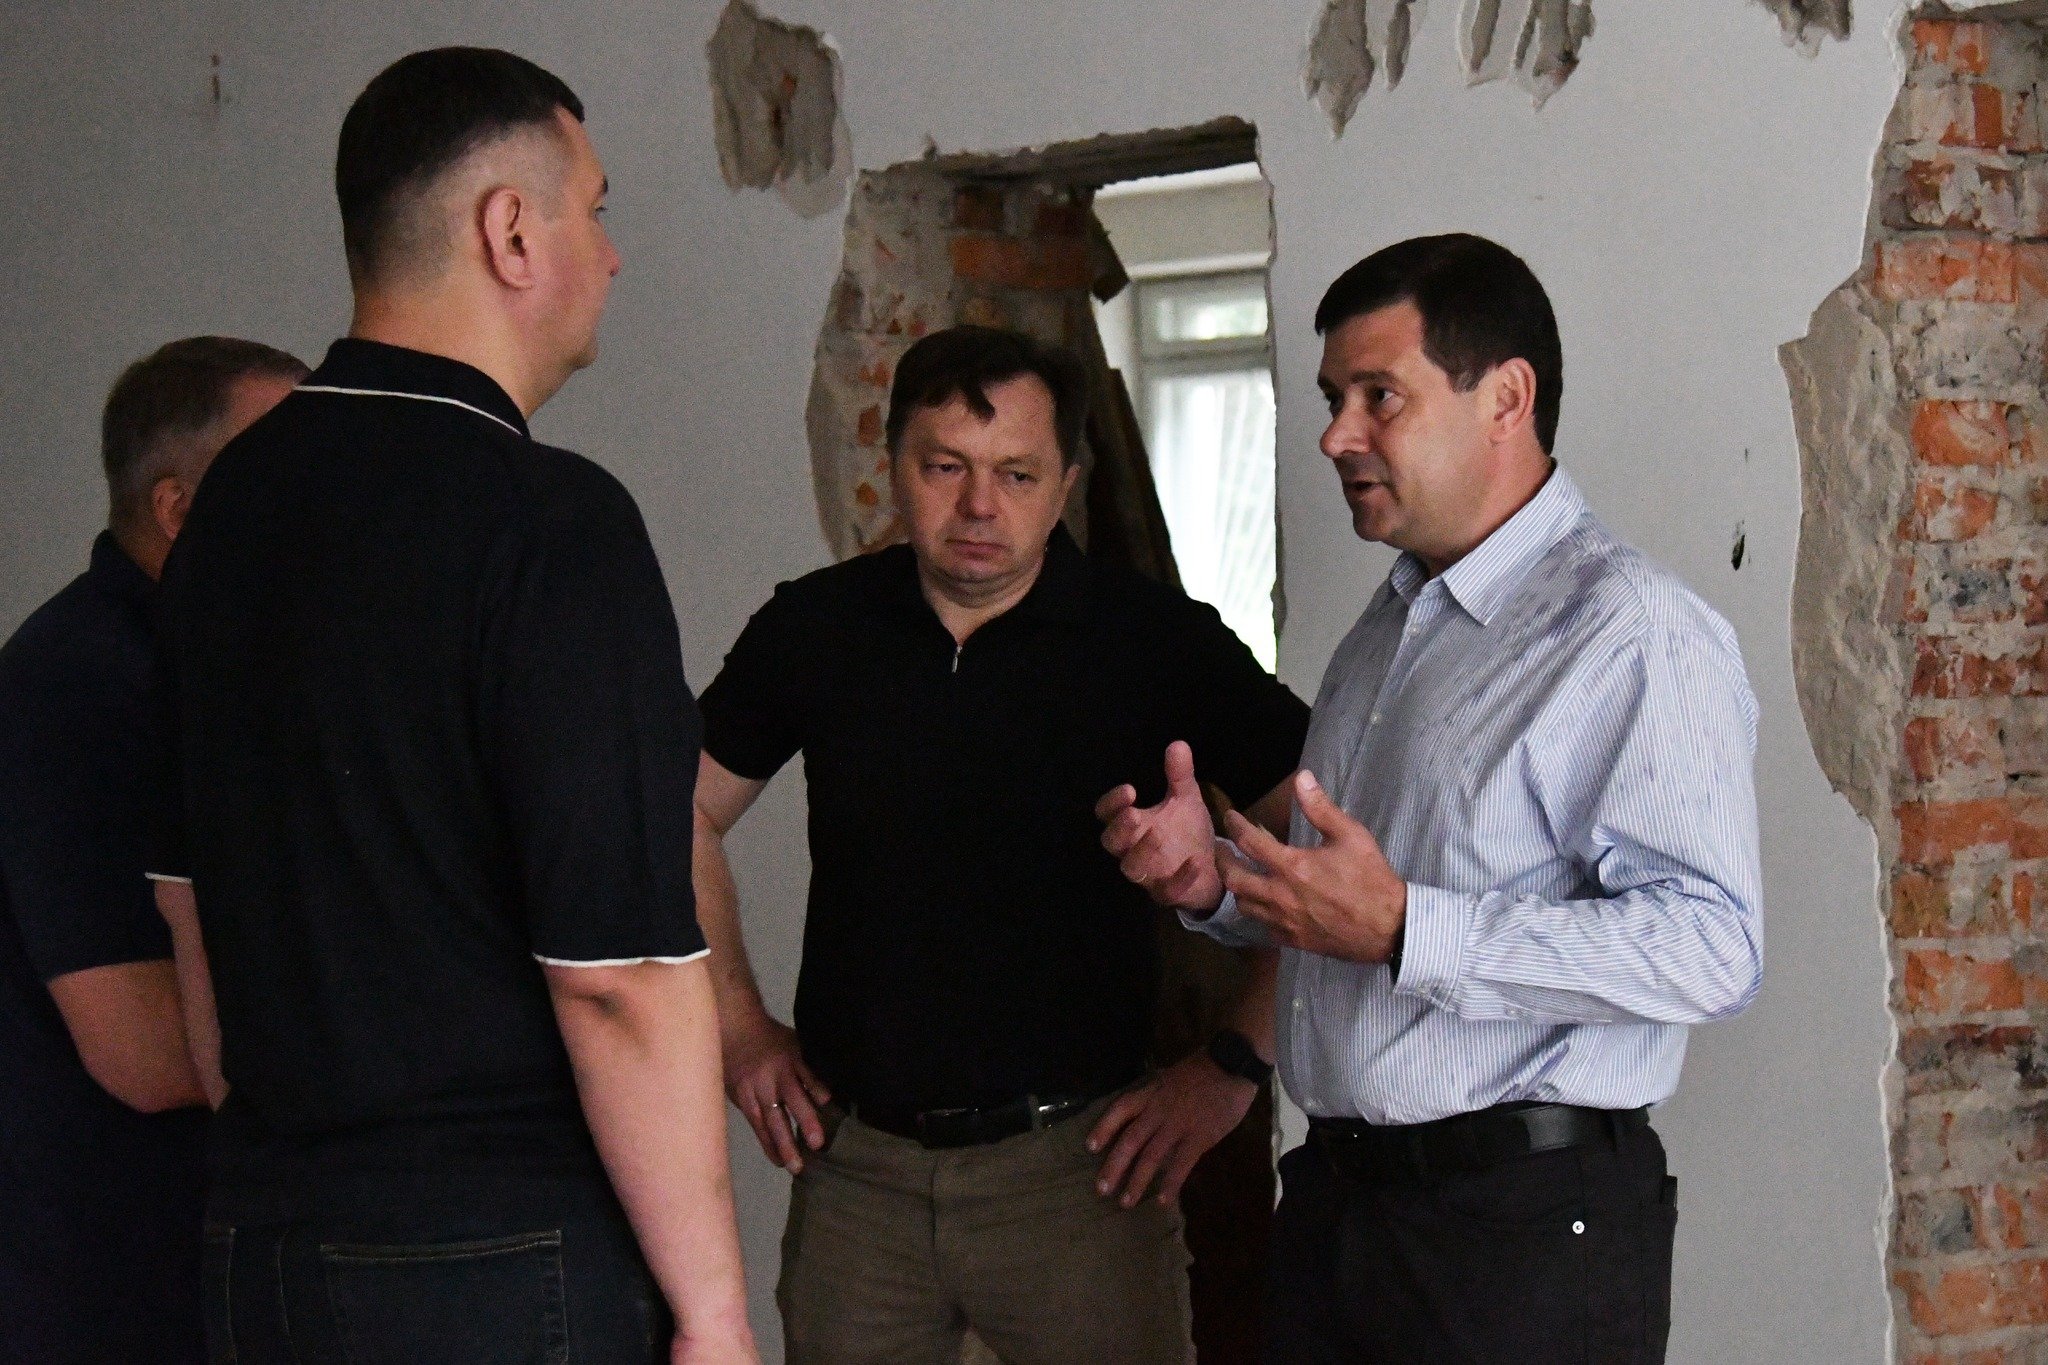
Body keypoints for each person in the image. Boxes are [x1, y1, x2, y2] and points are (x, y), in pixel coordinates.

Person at [148, 47, 755, 1364]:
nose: (613, 255)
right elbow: (618, 978)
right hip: (489, 1254)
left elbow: (186, 898)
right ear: (510, 230)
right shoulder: (550, 521)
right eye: (595, 209)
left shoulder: (228, 506)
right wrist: (715, 1313)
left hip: (259, 1241)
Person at [1099, 233, 1764, 1364]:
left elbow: (1713, 948)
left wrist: (1410, 928)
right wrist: (1221, 882)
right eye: (1332, 400)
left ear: (1505, 398)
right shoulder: (1388, 628)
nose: (1334, 435)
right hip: (1341, 1206)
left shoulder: (1630, 630)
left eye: (1379, 397)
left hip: (1517, 1231)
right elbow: (1349, 906)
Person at [693, 324, 1310, 1363]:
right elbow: (677, 815)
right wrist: (738, 1028)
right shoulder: (817, 628)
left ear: (1065, 483)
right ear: (894, 466)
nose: (980, 506)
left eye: (1016, 474)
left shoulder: (1152, 638)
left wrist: (1239, 1063)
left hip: (1083, 1170)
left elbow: (1327, 840)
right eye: (946, 467)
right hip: (859, 1174)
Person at [0, 336, 303, 1365]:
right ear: (176, 508)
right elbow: (142, 1050)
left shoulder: (217, 674)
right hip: (112, 1281)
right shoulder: (79, 687)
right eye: (283, 475)